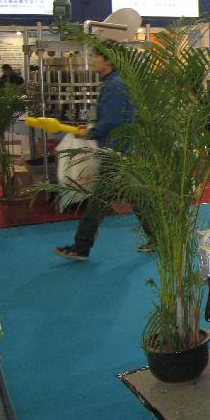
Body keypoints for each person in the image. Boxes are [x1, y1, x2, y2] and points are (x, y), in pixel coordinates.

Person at [54, 48, 153, 261]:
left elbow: (113, 121)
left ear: (108, 60)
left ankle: (81, 247)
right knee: (135, 197)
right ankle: (157, 238)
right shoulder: (115, 83)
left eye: (96, 57)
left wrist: (91, 132)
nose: (92, 61)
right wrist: (92, 128)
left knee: (98, 201)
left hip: (116, 153)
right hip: (122, 150)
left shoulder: (114, 85)